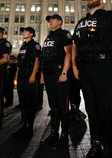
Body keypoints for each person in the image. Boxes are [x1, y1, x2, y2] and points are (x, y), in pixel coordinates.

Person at [72, 0, 112, 158]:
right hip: (85, 68)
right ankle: (95, 143)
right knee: (91, 108)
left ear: (102, 0)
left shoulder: (111, 16)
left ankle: (107, 146)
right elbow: (75, 45)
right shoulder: (81, 21)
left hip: (104, 66)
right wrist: (74, 66)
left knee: (104, 107)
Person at [40, 14, 72, 149]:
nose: (50, 22)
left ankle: (64, 135)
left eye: (52, 19)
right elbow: (44, 57)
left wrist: (64, 72)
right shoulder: (48, 37)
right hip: (48, 75)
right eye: (49, 20)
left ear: (59, 21)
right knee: (53, 106)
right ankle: (54, 133)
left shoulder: (64, 34)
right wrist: (42, 75)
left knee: (62, 106)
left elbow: (69, 54)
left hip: (59, 73)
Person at [13, 26, 41, 140]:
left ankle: (30, 128)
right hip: (21, 78)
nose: (23, 33)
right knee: (23, 103)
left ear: (31, 34)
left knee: (30, 103)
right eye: (23, 31)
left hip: (30, 78)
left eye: (25, 31)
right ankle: (23, 126)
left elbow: (37, 60)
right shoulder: (23, 46)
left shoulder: (35, 45)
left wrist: (33, 75)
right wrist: (16, 76)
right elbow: (19, 63)